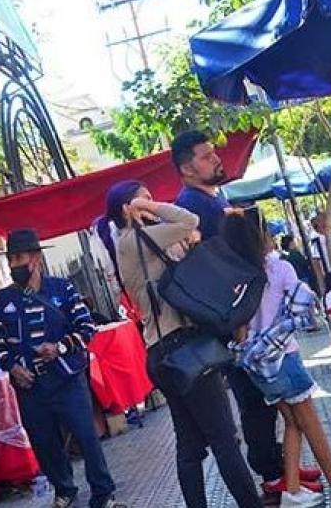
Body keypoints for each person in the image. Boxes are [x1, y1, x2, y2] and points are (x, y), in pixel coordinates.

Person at [169, 131, 321, 500]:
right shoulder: (191, 208)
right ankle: (271, 473)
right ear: (187, 168)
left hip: (248, 314)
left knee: (269, 398)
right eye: (206, 156)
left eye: (213, 153)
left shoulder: (213, 197)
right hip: (234, 321)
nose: (216, 159)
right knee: (254, 399)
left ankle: (280, 465)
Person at [101, 181, 261, 507]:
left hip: (165, 352)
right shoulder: (132, 241)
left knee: (190, 445)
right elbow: (190, 221)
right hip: (182, 348)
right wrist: (154, 208)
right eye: (143, 198)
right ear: (126, 210)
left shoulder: (146, 243)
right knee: (223, 440)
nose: (151, 202)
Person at [0, 229, 126, 508]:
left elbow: (86, 328)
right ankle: (64, 489)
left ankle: (103, 494)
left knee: (88, 438)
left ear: (36, 258)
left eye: (20, 258)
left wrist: (60, 347)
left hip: (66, 379)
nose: (15, 265)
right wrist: (13, 368)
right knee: (44, 443)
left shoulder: (62, 289)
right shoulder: (1, 301)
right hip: (31, 387)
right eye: (11, 259)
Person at [224, 213, 331, 508]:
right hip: (285, 356)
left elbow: (239, 327)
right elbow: (302, 304)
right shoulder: (278, 267)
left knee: (292, 423)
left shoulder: (232, 278)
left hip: (258, 366)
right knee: (311, 423)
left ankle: (293, 491)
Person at [308, 213, 331, 293]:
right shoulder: (317, 242)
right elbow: (316, 265)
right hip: (330, 280)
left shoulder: (329, 237)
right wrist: (322, 287)